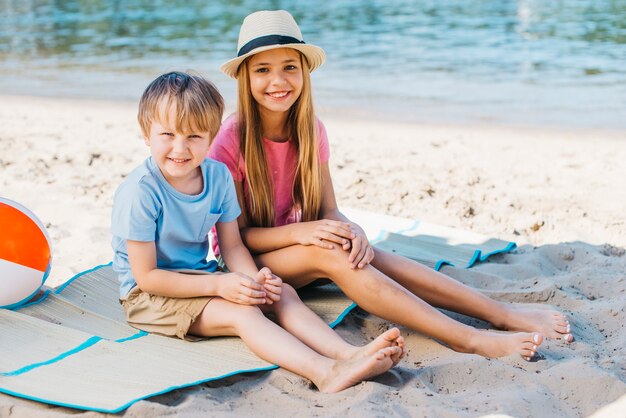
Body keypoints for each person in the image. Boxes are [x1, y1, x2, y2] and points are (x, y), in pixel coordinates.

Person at [209, 10, 574, 362]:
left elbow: (329, 209)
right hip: (248, 265)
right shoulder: (231, 140)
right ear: (244, 78)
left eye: (290, 67)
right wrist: (309, 232)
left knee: (364, 253)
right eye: (263, 70)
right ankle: (468, 339)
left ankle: (500, 312)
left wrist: (353, 230)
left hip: (300, 246)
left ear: (304, 71)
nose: (278, 81)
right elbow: (237, 239)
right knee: (331, 252)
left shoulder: (310, 129)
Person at [110, 71, 404, 393]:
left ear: (211, 137)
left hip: (199, 276)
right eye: (167, 134)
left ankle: (348, 354)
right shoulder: (140, 192)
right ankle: (325, 372)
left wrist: (254, 280)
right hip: (151, 296)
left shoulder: (217, 176)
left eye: (194, 136)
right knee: (244, 315)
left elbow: (233, 246)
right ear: (146, 134)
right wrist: (221, 284)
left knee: (281, 294)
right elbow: (147, 277)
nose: (180, 148)